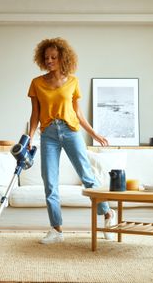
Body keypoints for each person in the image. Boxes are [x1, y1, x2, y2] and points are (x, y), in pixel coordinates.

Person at [27, 37, 117, 244]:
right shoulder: (37, 83)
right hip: (48, 133)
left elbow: (77, 113)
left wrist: (94, 133)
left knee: (87, 175)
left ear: (62, 58)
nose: (49, 61)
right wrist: (29, 138)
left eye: (54, 57)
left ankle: (107, 214)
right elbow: (34, 114)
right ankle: (56, 229)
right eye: (46, 57)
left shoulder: (73, 81)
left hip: (70, 131)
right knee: (49, 182)